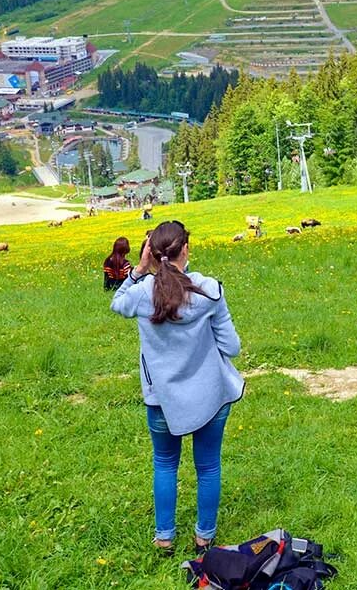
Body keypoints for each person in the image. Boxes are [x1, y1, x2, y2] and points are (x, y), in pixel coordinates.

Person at [111, 220, 244, 555]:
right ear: (186, 249)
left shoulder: (142, 294)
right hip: (210, 395)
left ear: (151, 254)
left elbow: (118, 303)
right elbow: (232, 347)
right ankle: (204, 538)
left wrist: (139, 269)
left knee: (165, 463)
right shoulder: (209, 290)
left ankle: (165, 538)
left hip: (161, 400)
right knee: (209, 465)